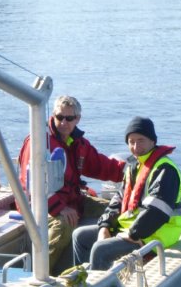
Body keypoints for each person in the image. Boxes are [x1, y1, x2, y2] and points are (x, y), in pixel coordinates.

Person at [17, 95, 126, 272]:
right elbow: (32, 186)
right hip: (40, 204)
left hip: (73, 200)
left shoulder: (77, 143)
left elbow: (101, 165)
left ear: (77, 119)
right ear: (53, 116)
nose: (64, 122)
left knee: (115, 211)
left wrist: (132, 172)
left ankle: (113, 259)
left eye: (69, 118)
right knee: (63, 225)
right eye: (59, 117)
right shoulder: (39, 143)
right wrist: (59, 208)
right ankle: (41, 272)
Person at [72, 116, 181, 271]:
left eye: (141, 140)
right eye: (131, 141)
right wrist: (105, 225)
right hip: (135, 229)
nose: (136, 146)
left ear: (153, 141)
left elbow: (157, 213)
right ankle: (83, 281)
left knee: (101, 249)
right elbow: (118, 200)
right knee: (80, 235)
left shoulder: (165, 170)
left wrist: (133, 234)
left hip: (158, 233)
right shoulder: (134, 166)